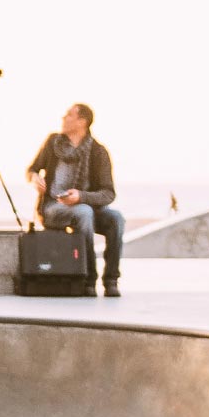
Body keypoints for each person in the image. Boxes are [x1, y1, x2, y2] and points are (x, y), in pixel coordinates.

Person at [26, 103, 125, 297]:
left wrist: (81, 196)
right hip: (53, 208)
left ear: (82, 122)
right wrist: (34, 178)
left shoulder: (98, 152)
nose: (64, 118)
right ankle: (88, 279)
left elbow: (108, 194)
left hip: (86, 207)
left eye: (69, 115)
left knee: (116, 218)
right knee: (84, 212)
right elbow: (32, 169)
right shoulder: (53, 143)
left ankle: (111, 280)